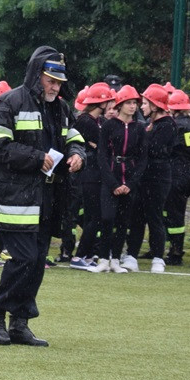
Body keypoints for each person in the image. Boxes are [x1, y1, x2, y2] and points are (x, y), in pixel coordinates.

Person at [0, 47, 85, 346]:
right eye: (51, 80)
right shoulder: (9, 102)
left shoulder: (61, 108)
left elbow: (74, 137)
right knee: (25, 258)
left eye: (59, 82)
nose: (55, 86)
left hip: (47, 197)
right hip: (12, 198)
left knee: (37, 261)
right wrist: (35, 157)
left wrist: (77, 155)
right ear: (36, 75)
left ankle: (20, 324)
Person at [89, 85, 147, 274]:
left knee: (123, 221)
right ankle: (104, 259)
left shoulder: (140, 128)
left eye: (135, 103)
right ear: (120, 105)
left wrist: (130, 184)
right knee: (107, 218)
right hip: (111, 177)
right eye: (129, 103)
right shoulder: (108, 125)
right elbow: (102, 155)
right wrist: (113, 184)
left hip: (129, 178)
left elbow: (142, 158)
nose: (133, 107)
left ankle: (116, 260)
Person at [129, 84, 176, 273]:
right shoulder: (152, 124)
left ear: (155, 106)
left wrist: (139, 140)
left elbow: (153, 149)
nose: (142, 107)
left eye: (146, 103)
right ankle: (131, 255)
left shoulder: (167, 125)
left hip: (158, 178)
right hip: (144, 176)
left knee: (154, 216)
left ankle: (158, 257)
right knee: (137, 217)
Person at [69, 82, 114, 270]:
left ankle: (86, 255)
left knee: (93, 217)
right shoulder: (86, 121)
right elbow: (106, 144)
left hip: (95, 174)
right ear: (100, 104)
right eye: (108, 103)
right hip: (89, 175)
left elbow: (102, 145)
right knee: (93, 217)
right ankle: (79, 256)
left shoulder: (96, 122)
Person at [164, 89, 190, 265]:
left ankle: (176, 251)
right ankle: (175, 247)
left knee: (175, 214)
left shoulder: (174, 126)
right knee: (178, 211)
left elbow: (168, 149)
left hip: (177, 172)